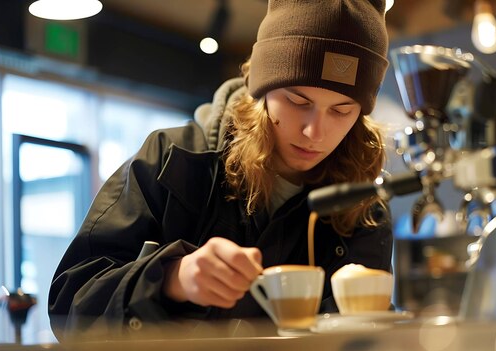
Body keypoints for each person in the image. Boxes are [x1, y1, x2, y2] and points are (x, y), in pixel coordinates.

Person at [48, 0, 392, 340]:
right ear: (263, 88)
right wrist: (172, 278)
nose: (314, 132)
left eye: (341, 110)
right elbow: (70, 307)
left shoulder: (363, 202)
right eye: (297, 101)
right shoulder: (172, 160)